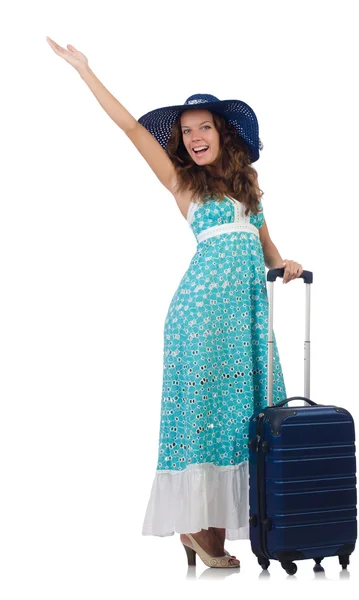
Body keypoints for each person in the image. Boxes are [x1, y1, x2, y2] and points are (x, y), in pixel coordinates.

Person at [46, 37, 304, 569]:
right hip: (199, 317)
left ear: (223, 133)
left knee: (240, 419)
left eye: (202, 127)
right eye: (186, 132)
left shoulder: (248, 189)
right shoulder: (181, 183)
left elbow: (268, 253)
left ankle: (213, 529)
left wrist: (288, 265)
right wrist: (85, 71)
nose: (193, 138)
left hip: (248, 319)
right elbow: (132, 129)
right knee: (202, 418)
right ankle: (197, 529)